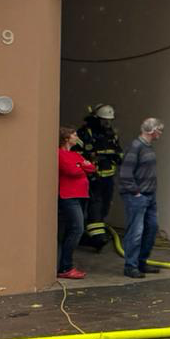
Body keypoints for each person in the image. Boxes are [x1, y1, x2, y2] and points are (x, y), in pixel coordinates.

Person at [118, 118, 164, 279]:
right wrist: (135, 192)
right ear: (152, 131)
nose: (160, 133)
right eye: (159, 130)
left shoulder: (147, 147)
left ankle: (141, 262)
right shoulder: (136, 147)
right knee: (136, 232)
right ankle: (131, 266)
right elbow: (125, 173)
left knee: (151, 228)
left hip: (148, 195)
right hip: (137, 196)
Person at [76, 103, 123, 252]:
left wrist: (115, 157)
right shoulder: (85, 133)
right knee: (94, 204)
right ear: (96, 118)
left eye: (109, 120)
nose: (107, 123)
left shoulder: (111, 134)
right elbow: (77, 154)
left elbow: (118, 153)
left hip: (108, 177)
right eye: (104, 120)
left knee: (105, 204)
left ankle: (94, 232)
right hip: (91, 177)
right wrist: (91, 163)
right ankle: (96, 238)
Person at [57, 125, 96, 280]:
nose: (77, 137)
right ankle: (65, 266)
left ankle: (64, 264)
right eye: (74, 134)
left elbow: (92, 168)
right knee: (77, 229)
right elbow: (72, 171)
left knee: (73, 230)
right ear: (66, 138)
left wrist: (82, 165)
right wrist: (82, 166)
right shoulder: (60, 154)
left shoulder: (75, 155)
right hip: (68, 197)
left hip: (80, 196)